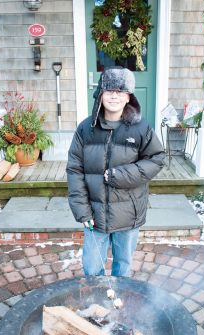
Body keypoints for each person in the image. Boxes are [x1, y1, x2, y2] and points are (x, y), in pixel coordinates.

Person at [66, 67, 165, 277]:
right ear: (100, 94)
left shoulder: (141, 129)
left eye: (120, 91)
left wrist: (119, 176)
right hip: (94, 213)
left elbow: (157, 158)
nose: (114, 95)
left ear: (128, 96)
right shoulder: (85, 129)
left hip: (129, 212)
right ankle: (97, 304)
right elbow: (74, 170)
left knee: (123, 267)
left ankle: (120, 306)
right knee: (92, 268)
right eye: (109, 90)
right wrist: (82, 209)